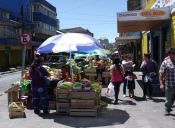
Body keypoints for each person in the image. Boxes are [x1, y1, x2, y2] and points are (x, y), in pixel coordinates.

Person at [159, 48, 175, 115]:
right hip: (169, 84)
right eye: (173, 54)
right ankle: (167, 109)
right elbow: (161, 73)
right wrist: (161, 84)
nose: (174, 55)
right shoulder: (165, 62)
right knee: (169, 99)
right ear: (169, 54)